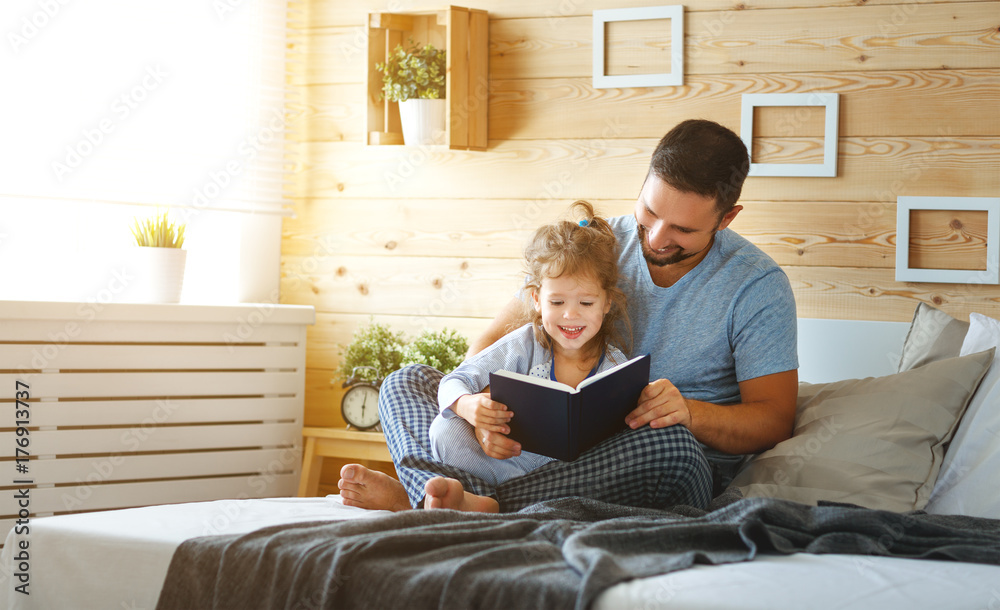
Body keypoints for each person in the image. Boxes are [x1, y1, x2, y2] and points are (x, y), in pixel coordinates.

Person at [338, 119, 799, 513]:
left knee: (674, 451)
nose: (657, 238)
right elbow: (485, 349)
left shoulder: (757, 286)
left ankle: (435, 499)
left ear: (726, 218)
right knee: (407, 382)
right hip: (531, 448)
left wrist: (690, 414)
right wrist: (481, 415)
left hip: (641, 456)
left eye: (683, 229)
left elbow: (774, 420)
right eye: (650, 211)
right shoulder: (592, 245)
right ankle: (455, 499)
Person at [428, 201, 648, 506]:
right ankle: (484, 500)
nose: (571, 316)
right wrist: (468, 407)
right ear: (536, 300)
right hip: (501, 463)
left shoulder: (615, 366)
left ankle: (483, 503)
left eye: (586, 303)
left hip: (570, 478)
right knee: (444, 428)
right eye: (557, 303)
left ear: (606, 302)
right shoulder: (523, 344)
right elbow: (454, 380)